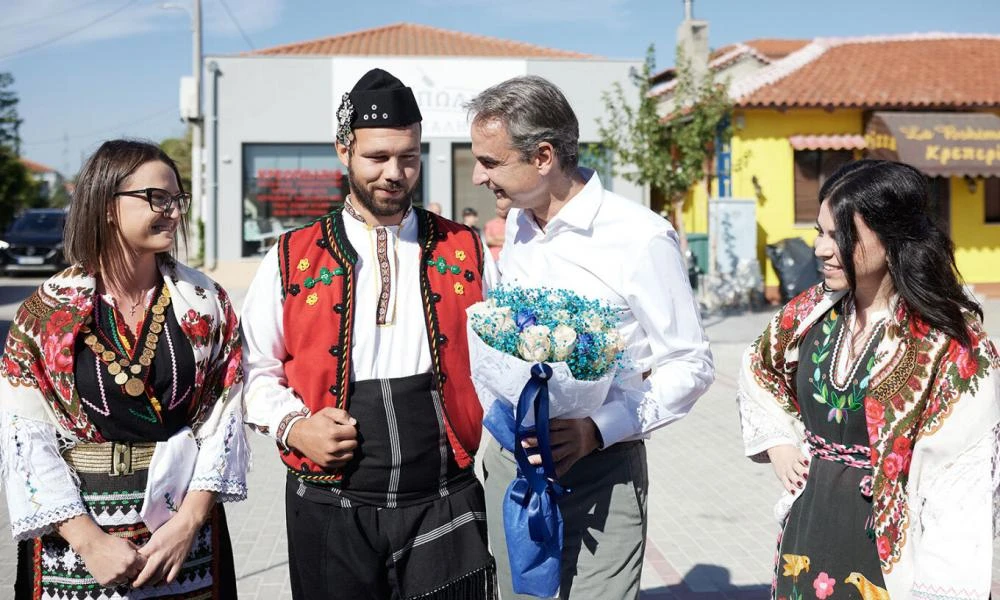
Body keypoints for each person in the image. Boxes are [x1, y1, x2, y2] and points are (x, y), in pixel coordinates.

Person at [241, 68, 498, 600]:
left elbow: (502, 363)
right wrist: (294, 426)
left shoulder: (466, 250)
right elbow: (252, 370)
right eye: (377, 157)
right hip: (330, 501)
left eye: (407, 157)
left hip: (445, 493)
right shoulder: (291, 256)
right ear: (344, 151)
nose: (394, 173)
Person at [467, 75, 714, 599]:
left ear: (543, 157)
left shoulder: (641, 237)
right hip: (515, 463)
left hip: (603, 471)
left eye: (490, 162)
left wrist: (597, 430)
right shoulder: (518, 226)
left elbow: (690, 363)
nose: (476, 177)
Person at [737, 160, 1000, 598]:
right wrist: (778, 441)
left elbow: (959, 484)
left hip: (887, 557)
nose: (822, 249)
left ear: (892, 235)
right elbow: (757, 368)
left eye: (841, 235)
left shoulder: (951, 345)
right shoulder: (811, 311)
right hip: (808, 532)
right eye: (820, 232)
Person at [0, 139, 248, 599]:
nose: (173, 211)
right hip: (77, 540)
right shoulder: (45, 312)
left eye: (177, 199)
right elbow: (24, 434)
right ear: (107, 205)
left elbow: (225, 416)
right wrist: (90, 542)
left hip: (184, 536)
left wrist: (190, 521)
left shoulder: (207, 302)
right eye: (156, 198)